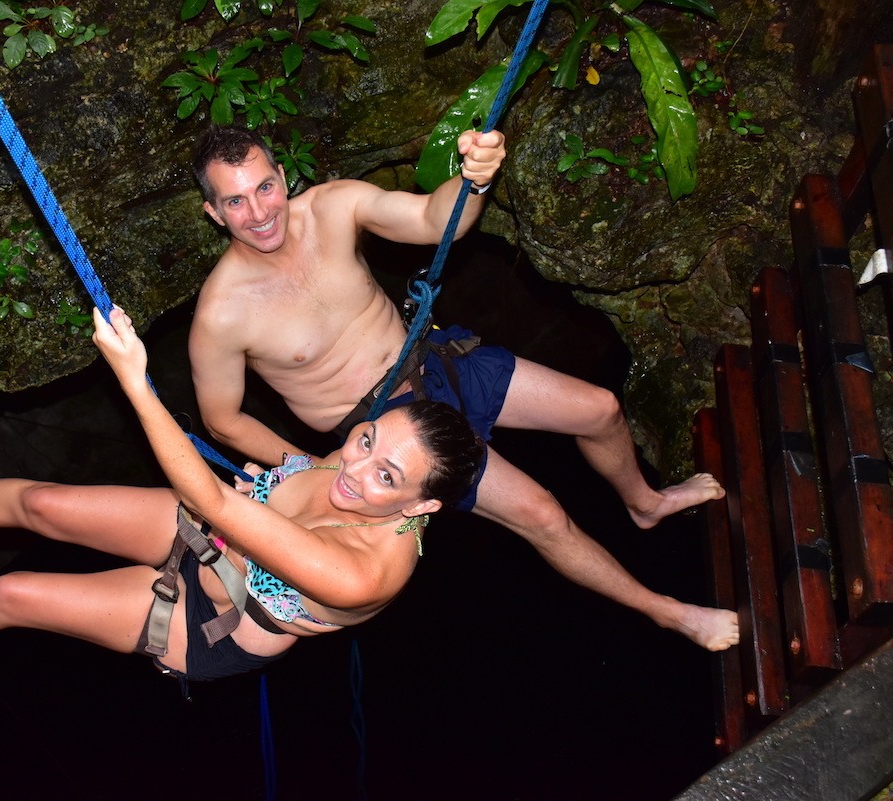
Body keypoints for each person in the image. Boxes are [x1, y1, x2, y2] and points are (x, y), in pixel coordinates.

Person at [187, 125, 740, 652]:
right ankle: (669, 612)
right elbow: (221, 419)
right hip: (388, 427)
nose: (260, 212)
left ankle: (646, 503)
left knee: (601, 409)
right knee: (542, 513)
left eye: (264, 187)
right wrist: (308, 465)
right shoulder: (223, 313)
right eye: (236, 201)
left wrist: (473, 178)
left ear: (282, 176)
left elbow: (434, 218)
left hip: (436, 360)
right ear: (213, 213)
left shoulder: (332, 206)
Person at [0, 306, 485, 684]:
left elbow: (214, 507)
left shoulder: (364, 572)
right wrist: (284, 474)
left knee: (14, 595)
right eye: (366, 441)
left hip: (207, 620)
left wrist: (135, 380)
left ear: (420, 507)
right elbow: (301, 469)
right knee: (44, 504)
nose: (358, 468)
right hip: (222, 539)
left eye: (387, 478)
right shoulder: (366, 453)